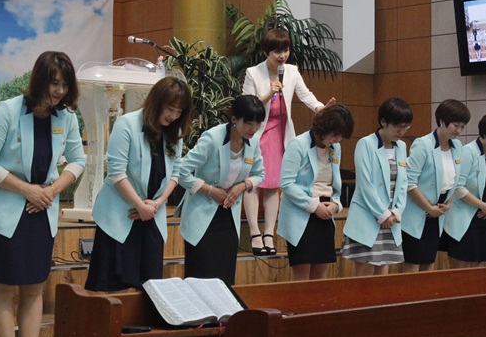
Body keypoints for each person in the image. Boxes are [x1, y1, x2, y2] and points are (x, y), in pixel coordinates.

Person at [0, 51, 85, 337]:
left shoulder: (66, 117)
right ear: (40, 81)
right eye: (54, 84)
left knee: (35, 287)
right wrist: (27, 190)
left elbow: (78, 161)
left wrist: (51, 190)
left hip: (42, 210)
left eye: (65, 85)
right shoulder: (9, 111)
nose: (60, 91)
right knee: (4, 287)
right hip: (7, 210)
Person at [85, 76, 191, 292]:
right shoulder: (127, 124)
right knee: (114, 287)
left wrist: (157, 204)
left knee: (149, 288)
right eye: (170, 109)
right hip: (120, 215)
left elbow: (176, 173)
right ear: (156, 102)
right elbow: (116, 173)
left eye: (179, 112)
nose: (173, 116)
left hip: (152, 215)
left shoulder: (175, 131)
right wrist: (140, 206)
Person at [241, 28, 333, 256]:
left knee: (274, 186)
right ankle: (254, 233)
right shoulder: (253, 73)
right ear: (266, 52)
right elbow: (246, 106)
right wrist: (268, 94)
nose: (282, 56)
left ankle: (269, 233)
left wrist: (320, 108)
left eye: (286, 50)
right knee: (253, 183)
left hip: (280, 135)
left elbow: (305, 94)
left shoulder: (291, 71)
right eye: (277, 52)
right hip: (257, 133)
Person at [177, 95, 265, 286]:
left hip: (229, 215)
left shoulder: (254, 142)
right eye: (248, 123)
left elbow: (260, 175)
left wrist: (243, 186)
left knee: (224, 278)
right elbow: (180, 170)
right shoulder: (212, 138)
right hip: (202, 215)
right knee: (201, 278)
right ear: (234, 119)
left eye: (258, 123)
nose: (254, 129)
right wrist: (210, 190)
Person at [277, 104, 354, 281]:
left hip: (325, 212)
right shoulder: (298, 144)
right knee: (302, 273)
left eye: (341, 136)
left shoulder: (335, 148)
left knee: (320, 273)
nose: (337, 140)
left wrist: (336, 204)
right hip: (301, 212)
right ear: (324, 128)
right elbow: (286, 183)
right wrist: (313, 206)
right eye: (335, 135)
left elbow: (334, 183)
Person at [341, 98, 412, 276]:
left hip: (391, 221)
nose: (401, 132)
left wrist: (397, 211)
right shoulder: (366, 144)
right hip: (369, 217)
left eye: (405, 127)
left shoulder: (401, 146)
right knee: (365, 276)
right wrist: (383, 214)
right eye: (398, 126)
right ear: (383, 122)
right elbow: (365, 184)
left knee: (383, 275)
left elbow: (403, 182)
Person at [400, 98, 470, 272]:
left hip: (438, 213)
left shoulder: (458, 146)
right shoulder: (423, 144)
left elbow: (455, 180)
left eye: (462, 126)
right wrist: (428, 208)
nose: (459, 130)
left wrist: (449, 202)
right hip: (417, 212)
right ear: (441, 121)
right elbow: (409, 182)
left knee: (429, 264)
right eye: (456, 125)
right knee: (413, 265)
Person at [441, 112, 486, 268]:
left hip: (485, 216)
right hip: (465, 216)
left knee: (482, 266)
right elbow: (458, 187)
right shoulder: (468, 152)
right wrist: (482, 205)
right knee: (462, 267)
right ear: (485, 133)